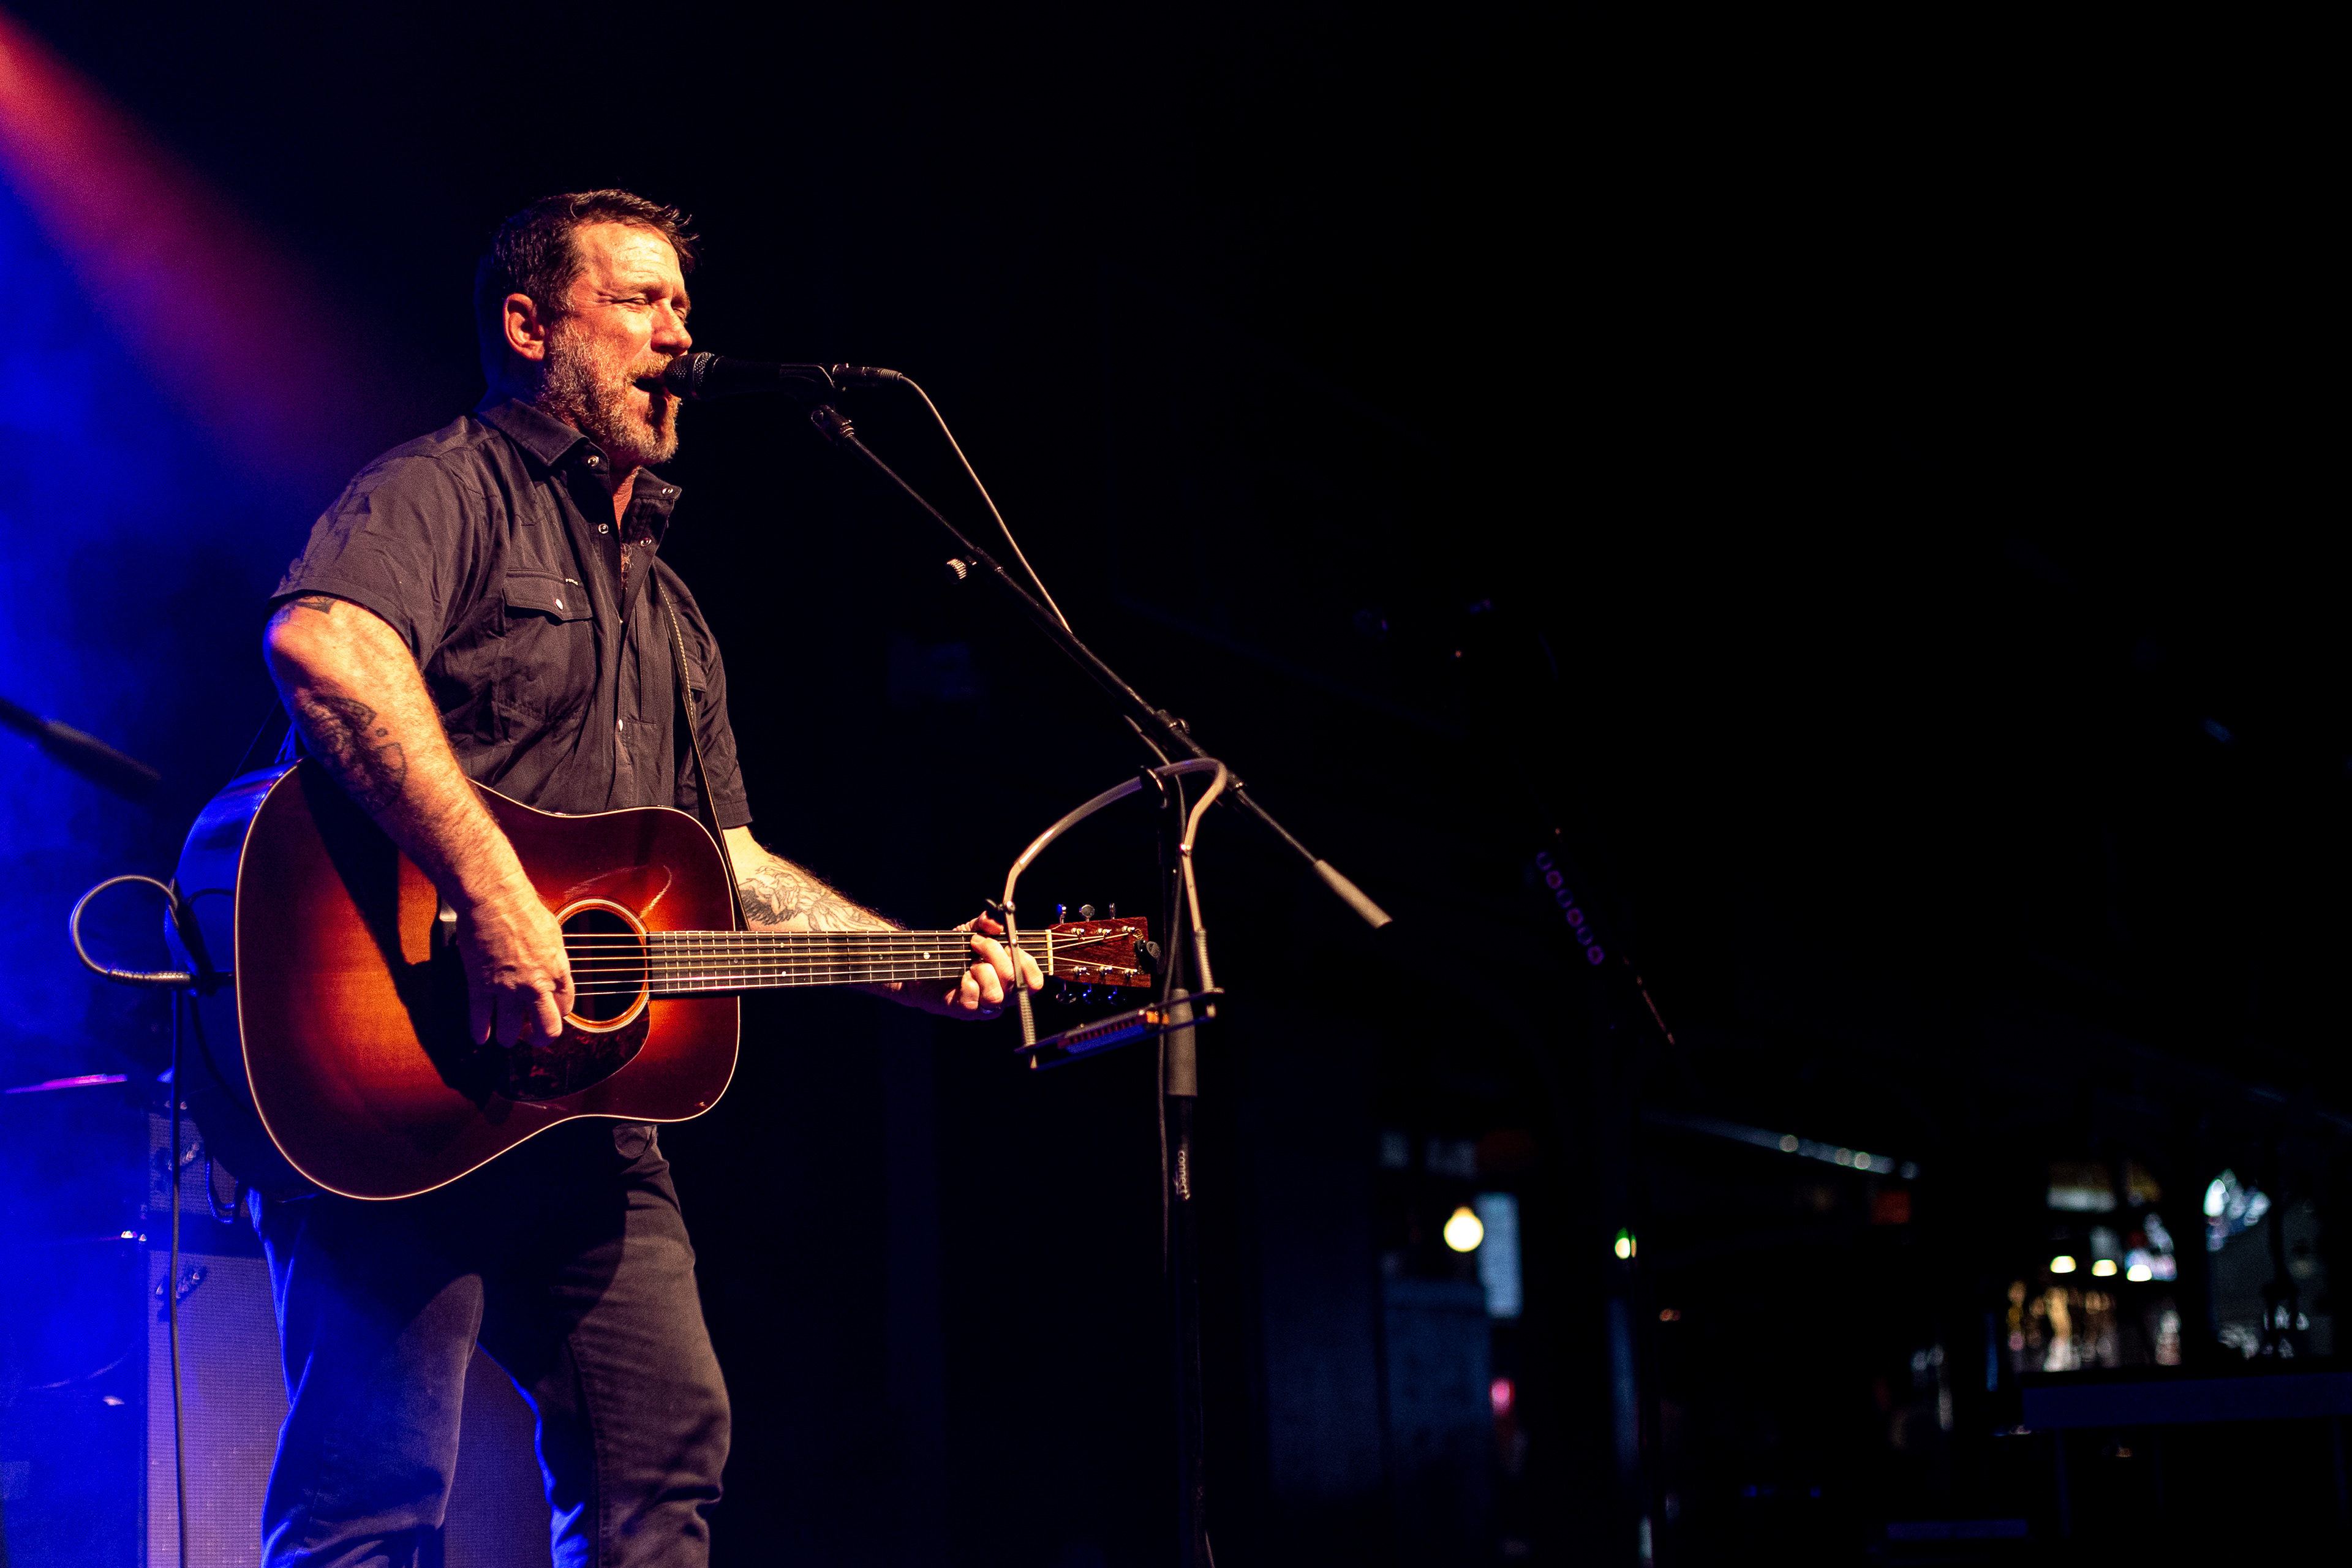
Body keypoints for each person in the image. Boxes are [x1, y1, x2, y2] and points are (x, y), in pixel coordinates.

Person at [255, 189, 1041, 1567]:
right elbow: (325, 645)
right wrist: (497, 893)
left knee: (665, 1461)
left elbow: (728, 865)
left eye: (684, 304)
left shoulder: (671, 612)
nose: (678, 334)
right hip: (396, 1070)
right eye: (637, 301)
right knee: (371, 1502)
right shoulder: (447, 488)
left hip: (586, 1111)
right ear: (529, 326)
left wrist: (909, 959)